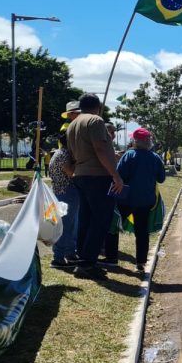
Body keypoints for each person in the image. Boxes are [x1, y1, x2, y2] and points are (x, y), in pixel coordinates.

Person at [66, 93, 124, 279]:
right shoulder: (96, 121)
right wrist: (115, 175)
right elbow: (100, 148)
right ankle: (87, 264)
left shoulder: (73, 124)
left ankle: (84, 259)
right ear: (98, 107)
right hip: (97, 176)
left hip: (81, 175)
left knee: (86, 219)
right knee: (101, 220)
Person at [108, 128, 166, 273]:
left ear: (135, 141)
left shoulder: (128, 155)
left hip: (125, 199)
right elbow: (161, 178)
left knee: (113, 225)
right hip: (146, 201)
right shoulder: (155, 157)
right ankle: (140, 263)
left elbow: (120, 175)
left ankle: (111, 258)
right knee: (142, 231)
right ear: (149, 141)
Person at [48, 133, 79, 269]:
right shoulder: (64, 155)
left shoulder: (59, 153)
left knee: (69, 225)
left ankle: (69, 253)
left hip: (60, 192)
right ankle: (59, 257)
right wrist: (79, 162)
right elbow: (70, 172)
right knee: (65, 226)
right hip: (65, 193)